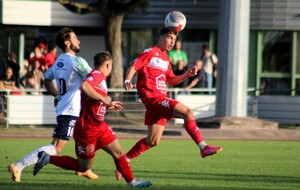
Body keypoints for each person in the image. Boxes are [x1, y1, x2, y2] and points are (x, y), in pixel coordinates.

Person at [33, 51, 152, 188]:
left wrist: (108, 104)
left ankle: (132, 183)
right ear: (108, 65)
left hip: (99, 126)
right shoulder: (97, 75)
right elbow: (84, 86)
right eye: (111, 66)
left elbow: (92, 98)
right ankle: (47, 158)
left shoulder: (98, 77)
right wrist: (104, 99)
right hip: (87, 129)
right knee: (83, 167)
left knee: (118, 152)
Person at [117, 28, 222, 180]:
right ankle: (203, 147)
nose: (172, 42)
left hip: (158, 100)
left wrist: (186, 74)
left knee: (152, 141)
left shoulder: (166, 59)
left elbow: (171, 80)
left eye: (174, 39)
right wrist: (127, 79)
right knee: (188, 113)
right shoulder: (150, 52)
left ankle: (123, 163)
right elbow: (134, 66)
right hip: (154, 98)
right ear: (160, 37)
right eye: (169, 38)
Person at [8, 27, 98, 182]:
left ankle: (84, 169)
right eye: (75, 38)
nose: (79, 41)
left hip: (67, 109)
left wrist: (57, 95)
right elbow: (94, 78)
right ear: (67, 43)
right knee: (56, 147)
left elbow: (47, 79)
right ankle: (18, 165)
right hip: (70, 110)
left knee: (85, 137)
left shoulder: (59, 61)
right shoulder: (77, 61)